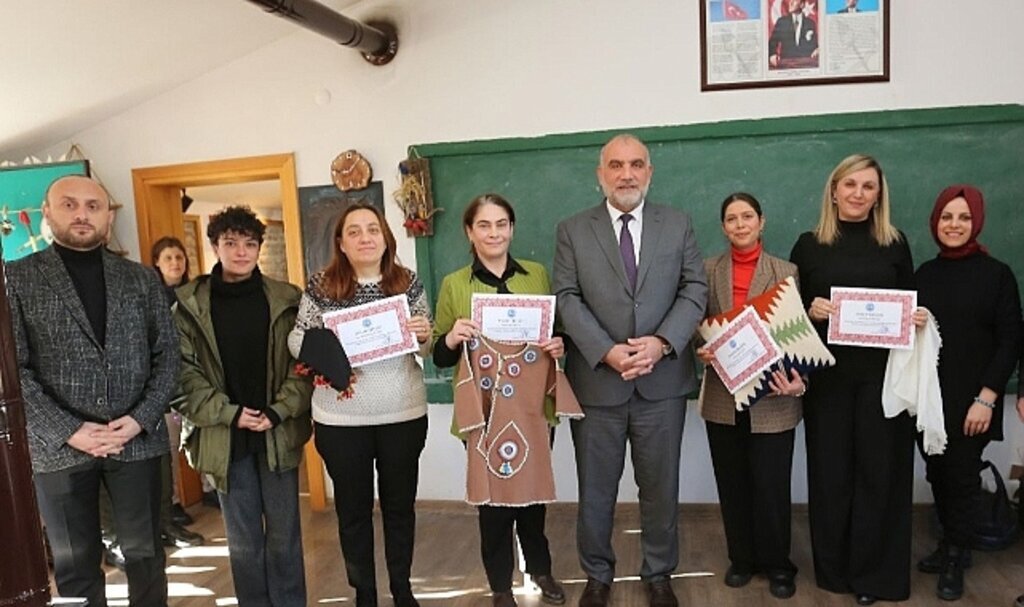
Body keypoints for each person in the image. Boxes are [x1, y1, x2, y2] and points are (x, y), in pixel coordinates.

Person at [7, 175, 179, 607]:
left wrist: (139, 419)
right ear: (48, 213)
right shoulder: (16, 279)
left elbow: (168, 357)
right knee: (75, 565)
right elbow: (11, 370)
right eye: (69, 205)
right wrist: (69, 430)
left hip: (136, 441)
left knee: (146, 555)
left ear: (108, 217)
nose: (82, 214)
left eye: (93, 206)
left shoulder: (142, 279)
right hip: (59, 448)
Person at [553, 134, 708, 607]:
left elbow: (695, 289)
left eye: (636, 164)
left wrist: (662, 343)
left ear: (649, 172)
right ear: (600, 174)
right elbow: (566, 296)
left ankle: (659, 574)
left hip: (662, 383)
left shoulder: (677, 224)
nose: (626, 174)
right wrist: (606, 351)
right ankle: (597, 576)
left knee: (660, 489)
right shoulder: (572, 229)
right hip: (598, 383)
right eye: (616, 165)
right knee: (595, 491)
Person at [790, 154, 923, 606]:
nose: (858, 194)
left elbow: (909, 305)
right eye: (850, 185)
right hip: (827, 382)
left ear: (879, 195)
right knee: (831, 477)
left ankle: (876, 576)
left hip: (882, 381)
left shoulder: (895, 243)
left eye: (868, 186)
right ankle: (834, 573)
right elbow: (789, 318)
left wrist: (916, 317)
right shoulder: (808, 245)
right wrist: (809, 309)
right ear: (833, 190)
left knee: (879, 476)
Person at [288, 202, 430, 607]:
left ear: (386, 237)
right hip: (340, 419)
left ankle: (402, 589)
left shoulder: (407, 282)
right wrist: (331, 358)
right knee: (352, 513)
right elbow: (297, 339)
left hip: (402, 413)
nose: (365, 237)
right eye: (354, 231)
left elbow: (425, 343)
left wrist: (424, 333)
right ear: (341, 243)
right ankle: (364, 594)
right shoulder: (322, 285)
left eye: (373, 229)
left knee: (400, 509)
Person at [432, 193, 569, 607]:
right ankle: (501, 587)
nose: (494, 233)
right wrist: (452, 337)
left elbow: (556, 332)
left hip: (532, 410)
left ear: (512, 228)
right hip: (483, 412)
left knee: (532, 496)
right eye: (484, 225)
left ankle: (540, 570)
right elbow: (439, 354)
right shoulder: (455, 284)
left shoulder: (537, 275)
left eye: (502, 224)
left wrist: (558, 344)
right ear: (469, 232)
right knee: (492, 503)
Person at [175, 206, 312, 607]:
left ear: (258, 249)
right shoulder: (188, 305)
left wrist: (278, 410)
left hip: (277, 432)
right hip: (225, 436)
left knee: (285, 536)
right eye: (230, 243)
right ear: (215, 246)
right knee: (243, 542)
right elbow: (182, 375)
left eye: (249, 244)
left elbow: (305, 365)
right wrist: (230, 413)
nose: (240, 252)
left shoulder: (288, 299)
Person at [914, 185, 1021, 601]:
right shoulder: (924, 274)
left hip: (974, 401)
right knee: (938, 473)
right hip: (930, 399)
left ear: (976, 222)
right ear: (935, 222)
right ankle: (949, 545)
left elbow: (1010, 340)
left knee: (961, 478)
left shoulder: (997, 275)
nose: (954, 225)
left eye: (964, 217)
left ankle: (958, 556)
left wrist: (987, 397)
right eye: (947, 217)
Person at [696, 193, 804, 600]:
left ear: (762, 221)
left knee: (771, 487)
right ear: (723, 227)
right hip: (723, 395)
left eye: (747, 217)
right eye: (731, 219)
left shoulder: (786, 271)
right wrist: (701, 349)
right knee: (733, 482)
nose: (740, 224)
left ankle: (779, 565)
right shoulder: (708, 270)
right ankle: (741, 559)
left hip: (773, 397)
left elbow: (798, 334)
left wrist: (797, 380)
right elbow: (696, 324)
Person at [149, 237, 205, 545]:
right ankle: (169, 508)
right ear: (157, 263)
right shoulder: (151, 296)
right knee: (169, 447)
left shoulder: (193, 294)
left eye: (179, 257)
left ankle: (208, 489)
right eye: (168, 258)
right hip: (165, 387)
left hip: (194, 379)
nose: (175, 263)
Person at [769, 0, 819, 69]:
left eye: (794, 0)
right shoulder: (782, 22)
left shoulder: (810, 23)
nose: (791, 2)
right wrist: (772, 54)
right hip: (786, 65)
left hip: (806, 65)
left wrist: (817, 50)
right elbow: (772, 42)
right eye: (790, 0)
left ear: (802, 5)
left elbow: (815, 45)